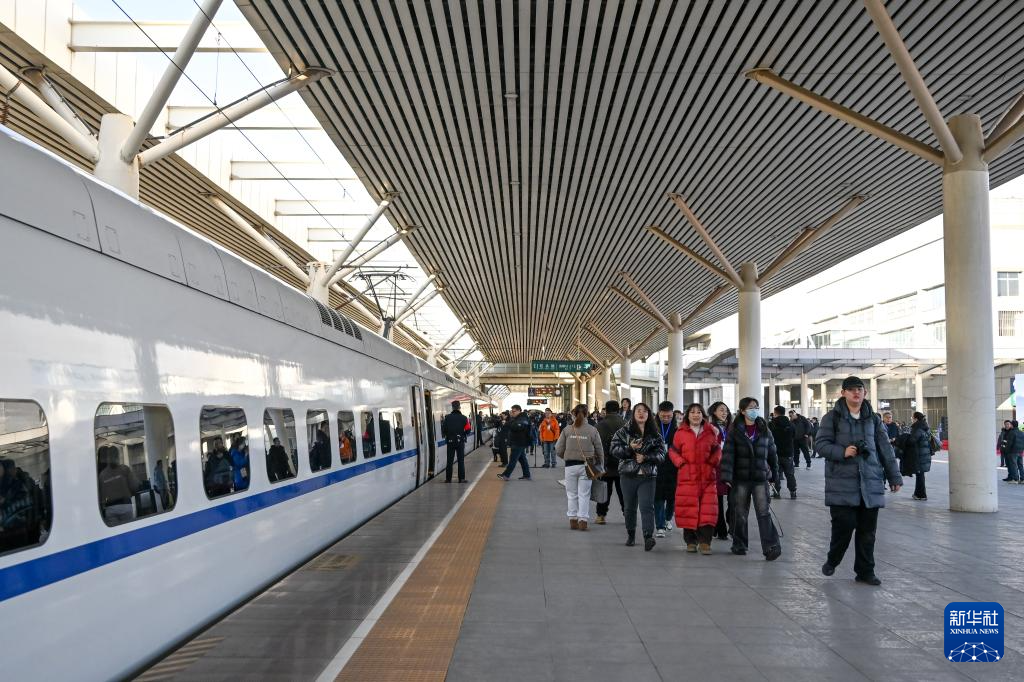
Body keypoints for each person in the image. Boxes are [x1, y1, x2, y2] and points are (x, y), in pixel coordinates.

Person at [816, 376, 902, 586]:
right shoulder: (832, 418)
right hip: (841, 483)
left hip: (870, 482)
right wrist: (842, 451)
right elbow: (820, 445)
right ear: (843, 393)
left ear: (865, 393)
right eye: (852, 389)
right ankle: (833, 559)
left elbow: (885, 449)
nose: (856, 392)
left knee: (867, 532)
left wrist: (894, 476)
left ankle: (865, 571)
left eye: (860, 389)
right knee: (843, 527)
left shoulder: (873, 419)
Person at [720, 397, 782, 561]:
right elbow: (728, 455)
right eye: (750, 407)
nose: (754, 410)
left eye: (756, 407)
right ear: (742, 411)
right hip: (740, 479)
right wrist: (727, 476)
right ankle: (739, 544)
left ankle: (771, 546)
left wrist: (775, 475)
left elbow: (772, 454)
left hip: (760, 478)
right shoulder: (735, 430)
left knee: (763, 512)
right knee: (740, 512)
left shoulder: (764, 429)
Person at [611, 402, 666, 550]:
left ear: (649, 414)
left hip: (648, 476)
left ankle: (648, 537)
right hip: (628, 475)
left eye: (645, 411)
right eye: (638, 411)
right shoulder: (623, 432)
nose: (642, 413)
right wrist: (630, 448)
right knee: (629, 507)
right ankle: (631, 534)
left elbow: (662, 455)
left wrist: (646, 457)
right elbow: (614, 450)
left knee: (647, 507)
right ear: (633, 414)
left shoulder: (655, 434)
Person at [669, 403, 721, 554]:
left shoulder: (711, 431)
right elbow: (673, 451)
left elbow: (717, 450)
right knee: (688, 509)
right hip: (687, 478)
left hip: (707, 478)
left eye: (699, 412)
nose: (696, 415)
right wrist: (681, 463)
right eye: (692, 412)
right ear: (688, 415)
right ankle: (691, 541)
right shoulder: (680, 432)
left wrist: (712, 462)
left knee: (708, 510)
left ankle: (705, 542)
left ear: (703, 415)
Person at [556, 404, 605, 530]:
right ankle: (583, 520)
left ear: (573, 414)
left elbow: (558, 448)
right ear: (587, 414)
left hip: (570, 466)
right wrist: (601, 464)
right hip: (586, 466)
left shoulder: (567, 429)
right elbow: (599, 449)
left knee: (571, 494)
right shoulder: (593, 430)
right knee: (584, 494)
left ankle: (572, 519)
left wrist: (566, 456)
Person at [595, 400, 626, 524]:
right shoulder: (626, 424)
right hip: (622, 464)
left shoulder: (600, 425)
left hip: (605, 465)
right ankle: (627, 514)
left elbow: (595, 445)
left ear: (606, 410)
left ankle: (601, 515)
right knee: (624, 492)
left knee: (604, 491)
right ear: (618, 410)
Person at [708, 401, 732, 541]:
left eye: (726, 410)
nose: (724, 413)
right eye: (721, 410)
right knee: (717, 500)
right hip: (716, 468)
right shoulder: (710, 428)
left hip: (731, 468)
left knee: (733, 500)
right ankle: (720, 529)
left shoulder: (732, 428)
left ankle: (731, 524)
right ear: (714, 412)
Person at [98, 445, 141, 523]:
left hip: (110, 508)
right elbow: (134, 487)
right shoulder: (124, 469)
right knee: (128, 529)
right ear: (118, 456)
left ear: (107, 457)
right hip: (125, 505)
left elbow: (101, 496)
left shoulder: (102, 475)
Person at [653, 401, 678, 538]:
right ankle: (660, 526)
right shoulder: (653, 427)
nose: (666, 418)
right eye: (663, 416)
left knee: (671, 497)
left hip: (673, 467)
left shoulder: (678, 429)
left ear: (672, 414)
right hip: (657, 466)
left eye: (669, 416)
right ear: (659, 413)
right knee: (658, 497)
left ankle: (668, 518)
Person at [768, 406, 797, 499]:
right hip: (788, 453)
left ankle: (777, 492)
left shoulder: (771, 424)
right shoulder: (791, 424)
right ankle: (793, 492)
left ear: (775, 413)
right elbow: (794, 436)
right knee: (790, 473)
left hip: (775, 453)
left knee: (776, 473)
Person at [498, 405, 532, 480]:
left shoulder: (523, 419)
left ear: (519, 411)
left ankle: (506, 475)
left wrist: (509, 424)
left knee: (513, 459)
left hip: (519, 442)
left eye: (514, 411)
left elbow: (516, 427)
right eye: (512, 411)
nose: (512, 413)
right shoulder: (517, 418)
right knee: (522, 460)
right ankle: (527, 475)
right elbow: (510, 424)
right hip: (518, 442)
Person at [442, 401, 470, 483]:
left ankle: (448, 479)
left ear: (452, 407)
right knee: (461, 460)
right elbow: (468, 430)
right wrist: (462, 433)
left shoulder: (447, 418)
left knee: (449, 461)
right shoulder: (464, 418)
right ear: (459, 407)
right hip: (460, 441)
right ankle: (461, 479)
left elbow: (443, 430)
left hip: (450, 441)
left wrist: (449, 434)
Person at [908, 412, 934, 500]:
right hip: (925, 454)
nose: (912, 419)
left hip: (919, 454)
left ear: (916, 419)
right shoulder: (925, 427)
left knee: (920, 474)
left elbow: (912, 440)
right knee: (920, 474)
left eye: (912, 418)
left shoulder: (918, 428)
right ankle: (917, 493)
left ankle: (922, 495)